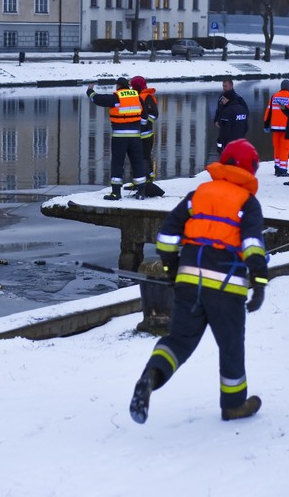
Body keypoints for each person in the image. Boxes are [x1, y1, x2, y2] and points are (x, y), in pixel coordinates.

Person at [129, 139, 268, 424]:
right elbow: (253, 245)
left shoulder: (199, 194)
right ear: (251, 170)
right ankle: (233, 404)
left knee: (178, 341)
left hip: (189, 282)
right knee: (230, 345)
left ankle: (150, 377)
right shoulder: (248, 203)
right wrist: (260, 281)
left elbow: (167, 236)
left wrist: (172, 268)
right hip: (227, 287)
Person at [87, 78, 147, 200]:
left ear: (118, 86)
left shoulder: (117, 97)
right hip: (135, 136)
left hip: (120, 137)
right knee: (137, 162)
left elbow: (97, 99)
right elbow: (144, 116)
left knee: (117, 164)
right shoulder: (137, 96)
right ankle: (141, 192)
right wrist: (138, 125)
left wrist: (90, 91)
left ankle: (116, 193)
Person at [263, 79, 289, 176]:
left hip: (275, 127)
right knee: (285, 148)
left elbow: (269, 111)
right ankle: (283, 170)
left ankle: (277, 167)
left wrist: (266, 124)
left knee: (277, 148)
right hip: (286, 128)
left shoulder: (274, 96)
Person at [215, 88, 249, 154]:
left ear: (228, 99)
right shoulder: (242, 109)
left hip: (229, 142)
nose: (222, 100)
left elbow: (224, 130)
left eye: (223, 98)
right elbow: (246, 127)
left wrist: (219, 143)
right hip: (241, 140)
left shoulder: (227, 111)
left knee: (229, 161)